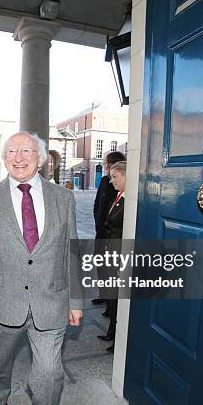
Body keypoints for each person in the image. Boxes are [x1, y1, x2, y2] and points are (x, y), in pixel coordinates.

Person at [0, 132, 84, 405]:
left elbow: (72, 252)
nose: (18, 158)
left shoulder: (63, 198)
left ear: (40, 159)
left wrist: (75, 301)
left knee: (50, 373)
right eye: (11, 152)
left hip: (51, 301)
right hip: (2, 304)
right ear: (4, 158)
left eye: (26, 151)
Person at [96, 161, 126, 353]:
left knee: (118, 298)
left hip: (120, 254)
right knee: (112, 297)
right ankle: (112, 331)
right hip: (111, 251)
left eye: (115, 177)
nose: (111, 181)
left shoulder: (131, 200)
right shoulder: (118, 196)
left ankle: (118, 337)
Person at [91, 151, 126, 308]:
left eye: (107, 163)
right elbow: (97, 204)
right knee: (100, 265)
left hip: (112, 232)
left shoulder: (120, 183)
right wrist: (98, 224)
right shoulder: (105, 180)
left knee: (110, 269)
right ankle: (103, 294)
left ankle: (111, 305)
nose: (105, 165)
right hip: (101, 231)